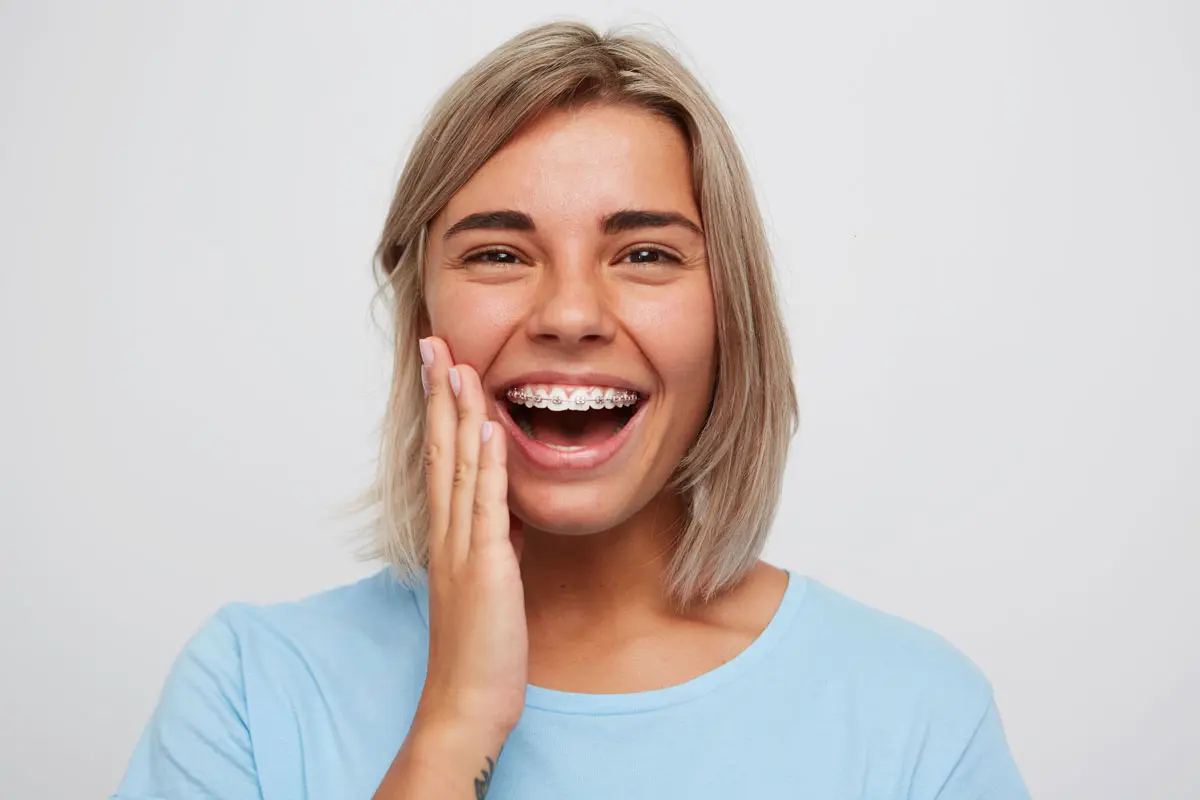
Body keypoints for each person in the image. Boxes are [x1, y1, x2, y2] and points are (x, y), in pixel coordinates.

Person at [112, 21, 1029, 800]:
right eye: (500, 255)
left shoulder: (917, 718)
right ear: (423, 312)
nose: (571, 316)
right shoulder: (246, 689)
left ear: (729, 314)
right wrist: (455, 723)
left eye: (646, 255)